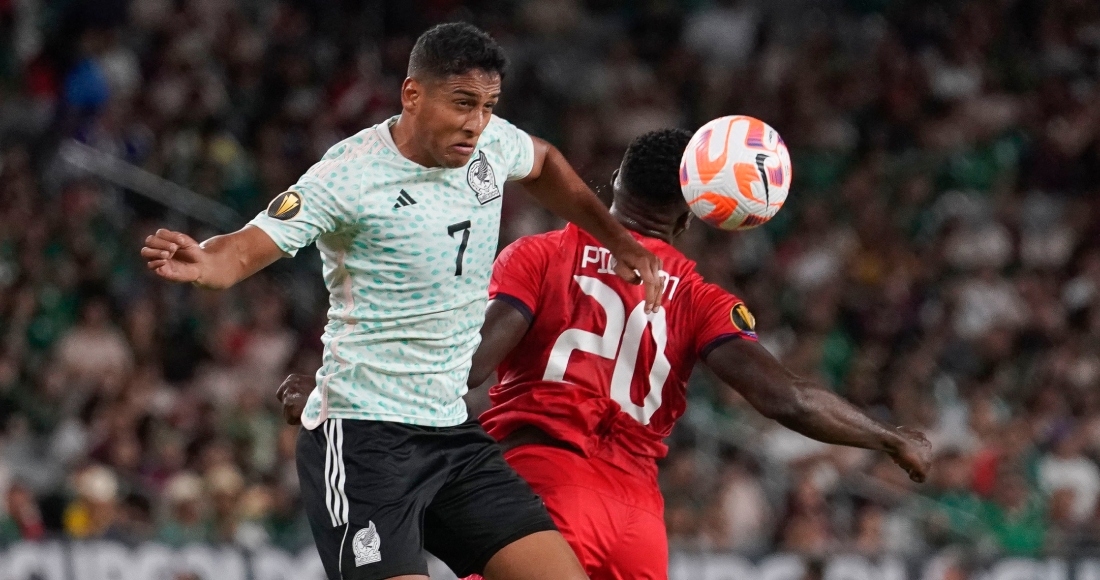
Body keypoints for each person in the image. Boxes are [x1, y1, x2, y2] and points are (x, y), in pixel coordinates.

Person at [278, 129, 932, 579]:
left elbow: (471, 365)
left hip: (540, 491)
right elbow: (784, 397)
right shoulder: (702, 299)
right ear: (684, 221)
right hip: (638, 522)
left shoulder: (540, 255)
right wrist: (887, 438)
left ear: (611, 182)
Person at [142, 22, 668, 580]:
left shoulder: (488, 145)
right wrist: (206, 261)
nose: (477, 123)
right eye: (462, 103)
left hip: (451, 432)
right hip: (365, 440)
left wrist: (615, 239)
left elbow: (542, 163)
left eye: (489, 106)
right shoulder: (349, 176)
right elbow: (243, 251)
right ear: (412, 95)